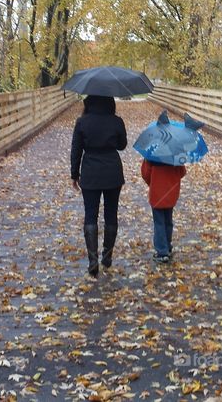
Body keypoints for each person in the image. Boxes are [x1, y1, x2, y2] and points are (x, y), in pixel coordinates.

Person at [70, 95, 127, 277]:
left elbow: (76, 149)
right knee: (111, 213)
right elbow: (122, 145)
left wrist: (74, 174)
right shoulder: (116, 121)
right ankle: (107, 257)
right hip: (112, 171)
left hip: (90, 172)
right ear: (110, 102)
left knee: (90, 214)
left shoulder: (82, 122)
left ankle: (93, 260)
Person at [140, 159, 186, 263]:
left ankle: (162, 252)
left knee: (159, 222)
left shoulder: (151, 154)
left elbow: (145, 174)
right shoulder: (175, 154)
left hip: (156, 193)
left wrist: (152, 182)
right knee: (168, 221)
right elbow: (182, 172)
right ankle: (168, 246)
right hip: (171, 192)